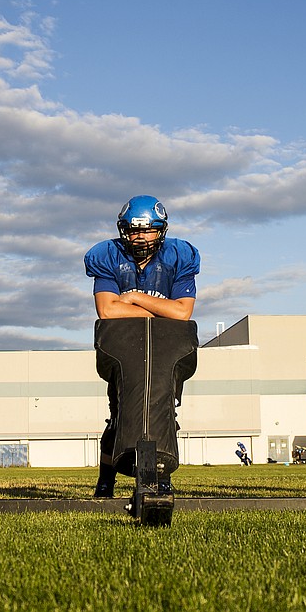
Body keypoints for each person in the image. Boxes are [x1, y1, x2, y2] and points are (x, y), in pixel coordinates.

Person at [84, 195, 200, 498]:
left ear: (160, 230)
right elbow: (107, 310)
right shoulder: (108, 254)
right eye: (134, 230)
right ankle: (105, 480)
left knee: (166, 411)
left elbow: (182, 312)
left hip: (167, 347)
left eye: (147, 230)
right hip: (124, 346)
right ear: (124, 230)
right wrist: (162, 309)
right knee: (118, 413)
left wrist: (134, 298)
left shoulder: (179, 255)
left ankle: (161, 476)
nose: (140, 237)